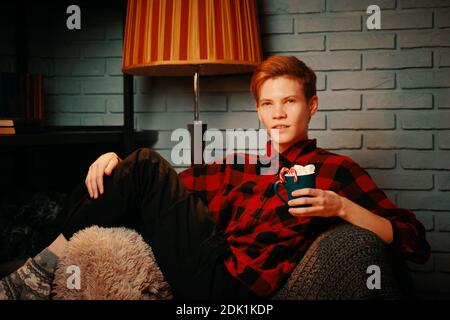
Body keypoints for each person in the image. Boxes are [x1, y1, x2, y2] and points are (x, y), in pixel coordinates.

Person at [4, 56, 431, 300]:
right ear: (259, 110)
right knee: (139, 164)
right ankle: (38, 265)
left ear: (312, 105)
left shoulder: (336, 169)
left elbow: (413, 239)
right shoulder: (244, 163)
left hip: (234, 287)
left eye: (289, 101)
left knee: (145, 164)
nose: (278, 113)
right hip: (207, 255)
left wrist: (341, 206)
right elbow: (156, 182)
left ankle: (32, 273)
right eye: (267, 104)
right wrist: (113, 160)